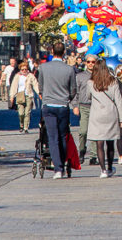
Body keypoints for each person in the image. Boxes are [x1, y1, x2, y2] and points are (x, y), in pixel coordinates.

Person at [37, 43, 78, 179]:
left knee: (52, 137)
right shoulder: (69, 69)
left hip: (48, 105)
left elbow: (40, 86)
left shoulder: (43, 68)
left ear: (52, 51)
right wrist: (68, 98)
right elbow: (73, 89)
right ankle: (63, 162)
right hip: (62, 106)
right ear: (64, 52)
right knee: (62, 136)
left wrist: (45, 95)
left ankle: (58, 169)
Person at [87, 60, 122, 178]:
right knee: (110, 142)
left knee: (99, 144)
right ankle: (109, 167)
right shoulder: (113, 82)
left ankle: (103, 170)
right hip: (111, 114)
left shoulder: (90, 83)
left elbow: (88, 96)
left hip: (97, 114)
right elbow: (118, 101)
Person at [76, 55, 97, 163]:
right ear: (85, 63)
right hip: (84, 106)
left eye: (93, 62)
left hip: (96, 106)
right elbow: (76, 92)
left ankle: (93, 156)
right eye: (88, 62)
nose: (90, 64)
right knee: (83, 131)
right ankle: (82, 150)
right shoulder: (80, 76)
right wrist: (75, 106)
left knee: (95, 132)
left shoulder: (99, 75)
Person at [9, 61, 39, 133]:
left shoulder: (30, 75)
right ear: (20, 69)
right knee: (21, 113)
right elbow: (13, 86)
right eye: (22, 69)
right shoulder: (17, 76)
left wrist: (39, 93)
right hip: (20, 95)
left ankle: (26, 128)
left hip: (28, 95)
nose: (24, 71)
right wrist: (12, 96)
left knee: (27, 112)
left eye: (25, 69)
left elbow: (35, 84)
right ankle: (21, 124)